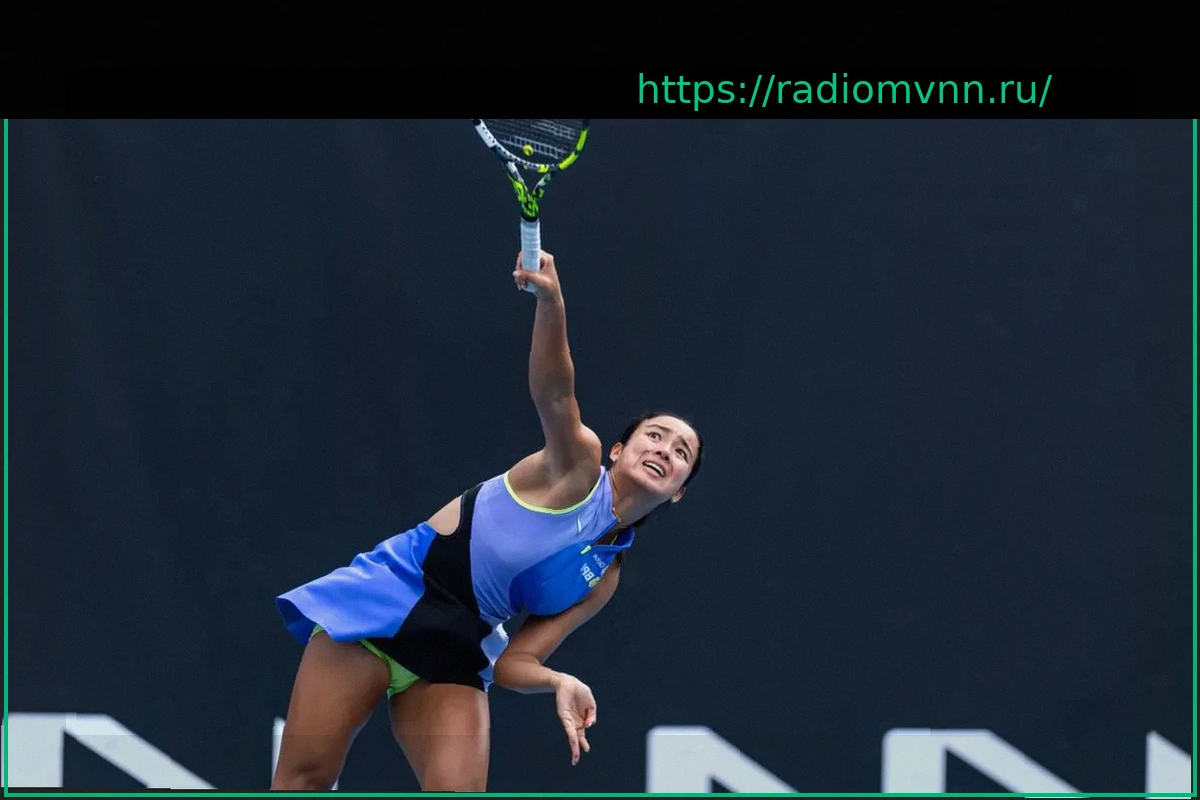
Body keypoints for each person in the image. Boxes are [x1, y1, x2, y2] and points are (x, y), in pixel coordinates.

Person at [270, 250, 703, 792]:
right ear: (618, 450)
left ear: (679, 491)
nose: (664, 449)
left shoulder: (605, 574)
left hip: (458, 647)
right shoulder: (577, 467)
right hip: (392, 598)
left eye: (681, 452)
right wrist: (551, 304)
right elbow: (555, 392)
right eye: (654, 436)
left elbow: (514, 662)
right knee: (302, 783)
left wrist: (557, 681)